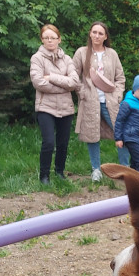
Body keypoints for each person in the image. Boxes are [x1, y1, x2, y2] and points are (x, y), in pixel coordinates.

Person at [73, 21, 125, 181]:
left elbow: (120, 78)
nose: (97, 36)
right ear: (90, 34)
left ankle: (125, 169)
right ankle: (96, 169)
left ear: (105, 37)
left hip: (110, 102)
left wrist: (117, 95)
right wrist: (82, 92)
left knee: (121, 133)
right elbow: (73, 76)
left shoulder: (112, 54)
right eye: (94, 32)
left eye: (100, 33)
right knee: (92, 135)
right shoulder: (82, 52)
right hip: (90, 101)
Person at [30, 24, 80, 184]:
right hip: (45, 107)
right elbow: (38, 83)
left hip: (66, 108)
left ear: (59, 39)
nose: (50, 40)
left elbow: (74, 82)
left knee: (63, 143)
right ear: (42, 39)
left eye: (53, 37)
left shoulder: (67, 59)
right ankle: (44, 176)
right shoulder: (37, 58)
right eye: (46, 38)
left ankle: (59, 171)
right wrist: (64, 86)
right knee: (49, 142)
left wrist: (51, 77)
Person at [114, 75, 139, 173]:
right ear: (135, 89)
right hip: (130, 137)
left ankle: (131, 179)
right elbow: (119, 121)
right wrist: (118, 138)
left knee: (135, 163)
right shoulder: (127, 103)